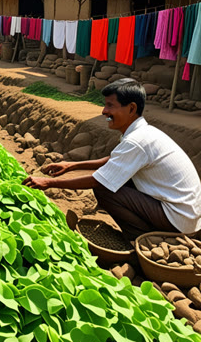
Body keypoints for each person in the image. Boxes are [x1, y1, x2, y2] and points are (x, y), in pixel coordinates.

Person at [22, 78, 201, 241]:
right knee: (117, 179)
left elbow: (100, 180)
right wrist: (71, 165)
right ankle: (149, 232)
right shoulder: (141, 133)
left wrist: (48, 183)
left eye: (110, 106)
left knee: (104, 190)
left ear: (131, 108)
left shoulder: (137, 141)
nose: (104, 111)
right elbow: (114, 159)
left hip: (178, 218)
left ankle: (139, 239)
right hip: (184, 213)